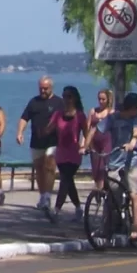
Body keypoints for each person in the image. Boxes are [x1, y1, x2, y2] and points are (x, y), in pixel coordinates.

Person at [103, 92, 137, 240]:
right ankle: (108, 226)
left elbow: (136, 134)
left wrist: (132, 144)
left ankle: (135, 229)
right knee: (112, 197)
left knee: (134, 195)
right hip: (115, 161)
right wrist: (87, 146)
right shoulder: (113, 118)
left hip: (132, 162)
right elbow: (98, 130)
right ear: (131, 108)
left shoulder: (135, 119)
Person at [17, 76, 63, 212]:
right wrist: (20, 132)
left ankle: (48, 196)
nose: (43, 91)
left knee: (49, 166)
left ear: (51, 88)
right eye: (41, 88)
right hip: (36, 141)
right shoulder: (34, 102)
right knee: (39, 169)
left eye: (46, 88)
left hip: (53, 141)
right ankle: (42, 195)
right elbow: (24, 118)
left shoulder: (59, 103)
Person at [47, 85, 87, 222]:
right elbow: (49, 128)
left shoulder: (80, 115)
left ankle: (56, 210)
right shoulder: (58, 114)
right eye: (64, 96)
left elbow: (87, 134)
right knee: (68, 182)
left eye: (69, 96)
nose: (66, 99)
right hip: (61, 153)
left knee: (65, 180)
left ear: (75, 98)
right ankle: (78, 208)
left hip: (74, 153)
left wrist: (84, 146)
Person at [86, 89, 115, 191]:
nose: (101, 101)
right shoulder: (93, 111)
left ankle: (104, 190)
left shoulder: (111, 113)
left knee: (104, 168)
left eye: (103, 99)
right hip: (94, 143)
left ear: (107, 100)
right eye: (99, 99)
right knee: (96, 170)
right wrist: (84, 145)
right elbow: (87, 128)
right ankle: (99, 192)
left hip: (106, 142)